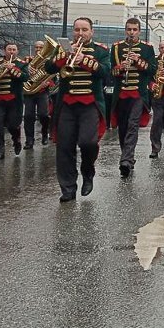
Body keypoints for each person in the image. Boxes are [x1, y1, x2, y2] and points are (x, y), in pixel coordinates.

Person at [44, 17, 110, 202]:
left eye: (84, 30)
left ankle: (88, 172)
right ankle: (68, 188)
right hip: (66, 104)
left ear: (91, 32)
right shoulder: (63, 49)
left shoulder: (101, 51)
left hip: (90, 104)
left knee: (88, 143)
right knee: (64, 147)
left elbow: (105, 72)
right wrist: (65, 56)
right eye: (77, 30)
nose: (80, 33)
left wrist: (85, 61)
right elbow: (48, 67)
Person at [109, 18, 155, 177]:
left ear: (139, 31)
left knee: (132, 125)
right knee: (123, 127)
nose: (131, 32)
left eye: (134, 30)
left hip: (138, 94)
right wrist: (121, 67)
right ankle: (128, 156)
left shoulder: (147, 48)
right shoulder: (116, 47)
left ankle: (126, 160)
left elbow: (152, 70)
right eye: (129, 29)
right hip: (121, 93)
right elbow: (111, 72)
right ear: (125, 30)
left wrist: (138, 61)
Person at [0, 44, 27, 160]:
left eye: (14, 50)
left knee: (13, 125)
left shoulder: (22, 64)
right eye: (9, 49)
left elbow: (26, 77)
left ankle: (16, 140)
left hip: (14, 100)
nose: (11, 52)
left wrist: (14, 70)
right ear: (4, 51)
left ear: (17, 51)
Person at [22, 40, 54, 149]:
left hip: (42, 92)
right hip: (29, 93)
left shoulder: (48, 62)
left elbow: (53, 76)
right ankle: (29, 140)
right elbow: (22, 75)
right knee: (28, 116)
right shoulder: (27, 61)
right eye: (36, 47)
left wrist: (47, 82)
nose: (38, 50)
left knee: (43, 115)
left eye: (41, 47)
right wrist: (27, 70)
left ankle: (45, 133)